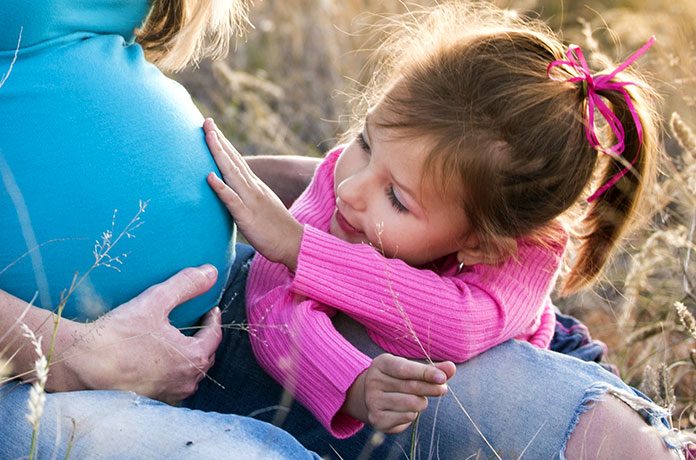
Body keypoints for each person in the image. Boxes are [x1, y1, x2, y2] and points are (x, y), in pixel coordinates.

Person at [189, 2, 691, 458]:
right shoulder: (345, 184)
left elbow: (457, 325)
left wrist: (303, 250)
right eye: (365, 143)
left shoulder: (524, 251)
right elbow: (271, 303)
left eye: (396, 198)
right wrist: (351, 381)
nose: (352, 189)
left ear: (483, 245)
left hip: (530, 348)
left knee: (626, 434)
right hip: (402, 368)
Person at [0, 0, 319, 457]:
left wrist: (221, 182)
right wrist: (73, 355)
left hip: (199, 325)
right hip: (26, 374)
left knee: (444, 411)